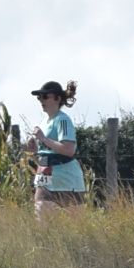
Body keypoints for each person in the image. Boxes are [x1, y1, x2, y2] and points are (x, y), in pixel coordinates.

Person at [29, 80, 86, 213]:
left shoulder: (63, 120)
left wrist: (43, 139)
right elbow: (48, 151)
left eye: (45, 96)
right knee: (41, 217)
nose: (41, 100)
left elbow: (69, 150)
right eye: (39, 97)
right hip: (45, 175)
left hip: (66, 179)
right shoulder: (44, 122)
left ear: (58, 99)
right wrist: (35, 150)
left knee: (74, 224)